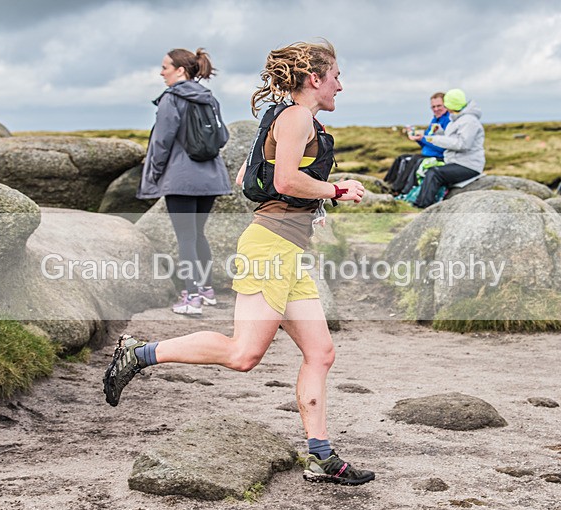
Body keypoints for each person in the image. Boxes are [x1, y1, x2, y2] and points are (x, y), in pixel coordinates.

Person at [105, 40, 375, 486]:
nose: (340, 87)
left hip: (286, 249)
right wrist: (335, 189)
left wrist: (310, 213)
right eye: (336, 77)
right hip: (269, 249)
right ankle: (141, 353)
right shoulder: (295, 117)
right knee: (244, 353)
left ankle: (321, 457)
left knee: (321, 352)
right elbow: (287, 179)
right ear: (315, 79)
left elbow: (255, 176)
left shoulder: (287, 117)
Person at [136, 48, 231, 315]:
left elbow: (162, 142)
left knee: (185, 238)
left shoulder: (171, 99)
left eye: (165, 66)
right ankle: (207, 290)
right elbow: (222, 137)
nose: (161, 71)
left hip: (181, 178)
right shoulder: (209, 98)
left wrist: (154, 173)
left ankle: (191, 297)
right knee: (198, 234)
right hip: (211, 177)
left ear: (180, 70)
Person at [411, 88, 484, 208]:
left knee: (435, 173)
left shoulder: (470, 121)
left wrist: (432, 138)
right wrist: (437, 133)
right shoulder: (457, 119)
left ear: (450, 105)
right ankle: (420, 202)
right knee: (428, 169)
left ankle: (421, 206)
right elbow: (450, 138)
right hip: (456, 162)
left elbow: (462, 144)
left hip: (469, 165)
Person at [384, 92, 450, 195]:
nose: (436, 109)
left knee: (414, 159)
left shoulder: (448, 121)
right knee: (401, 158)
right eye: (433, 107)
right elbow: (426, 144)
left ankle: (399, 190)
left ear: (446, 105)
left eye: (439, 106)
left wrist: (423, 139)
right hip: (428, 154)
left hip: (440, 157)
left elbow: (444, 146)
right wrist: (418, 139)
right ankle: (386, 184)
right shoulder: (434, 120)